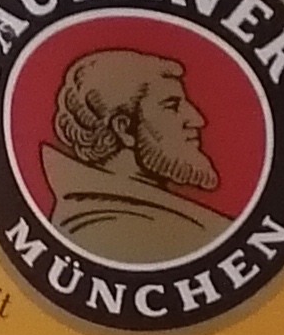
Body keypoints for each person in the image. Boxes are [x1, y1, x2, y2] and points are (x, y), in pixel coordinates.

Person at [37, 46, 226, 255]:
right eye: (172, 106)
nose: (197, 120)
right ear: (125, 129)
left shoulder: (157, 215)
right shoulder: (104, 224)